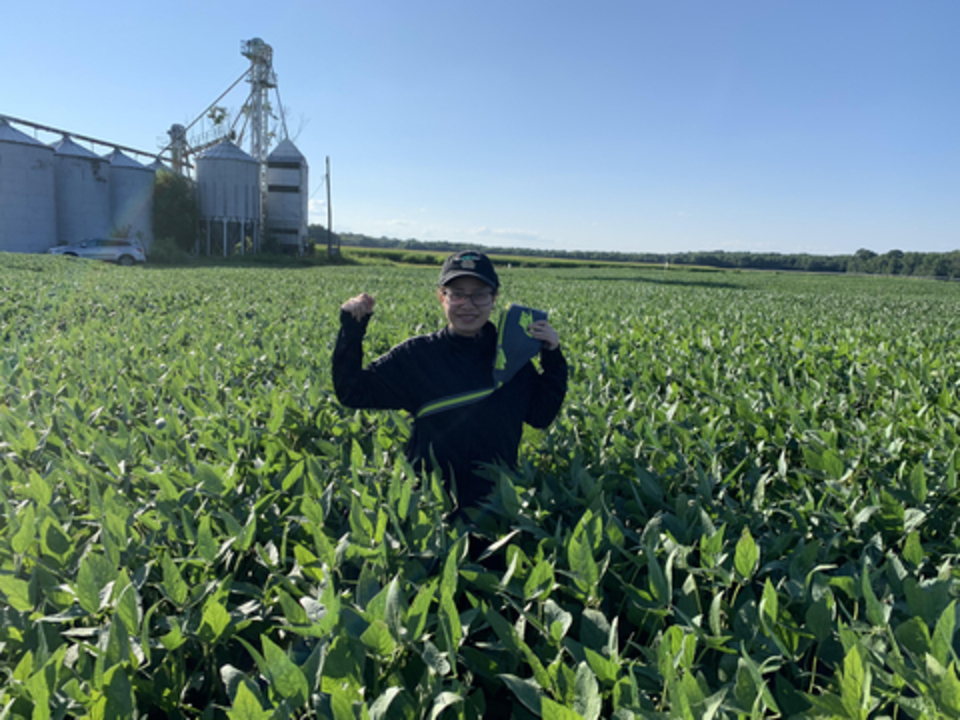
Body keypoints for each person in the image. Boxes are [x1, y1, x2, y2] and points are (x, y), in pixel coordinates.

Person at [333, 250, 567, 511]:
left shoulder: (511, 356)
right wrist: (351, 332)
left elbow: (540, 415)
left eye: (479, 294)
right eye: (457, 294)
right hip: (429, 506)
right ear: (442, 297)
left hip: (494, 507)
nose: (468, 304)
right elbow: (352, 392)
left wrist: (552, 356)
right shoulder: (415, 356)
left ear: (494, 299)